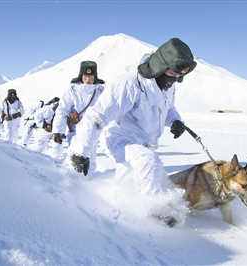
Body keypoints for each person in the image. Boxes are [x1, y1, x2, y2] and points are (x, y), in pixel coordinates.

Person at [69, 38, 197, 225]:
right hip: (120, 138)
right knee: (147, 162)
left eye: (178, 76)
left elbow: (169, 108)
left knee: (138, 177)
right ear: (159, 67)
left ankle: (113, 204)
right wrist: (83, 151)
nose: (173, 79)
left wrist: (175, 121)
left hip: (145, 142)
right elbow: (96, 117)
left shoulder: (168, 87)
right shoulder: (129, 86)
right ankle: (154, 212)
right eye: (171, 73)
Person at [52, 61, 105, 163]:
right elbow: (62, 110)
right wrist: (58, 130)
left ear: (95, 77)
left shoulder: (100, 91)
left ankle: (88, 179)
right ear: (81, 76)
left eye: (91, 76)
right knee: (74, 158)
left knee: (90, 160)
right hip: (76, 130)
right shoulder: (72, 90)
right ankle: (70, 178)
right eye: (85, 76)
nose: (88, 79)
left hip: (93, 132)